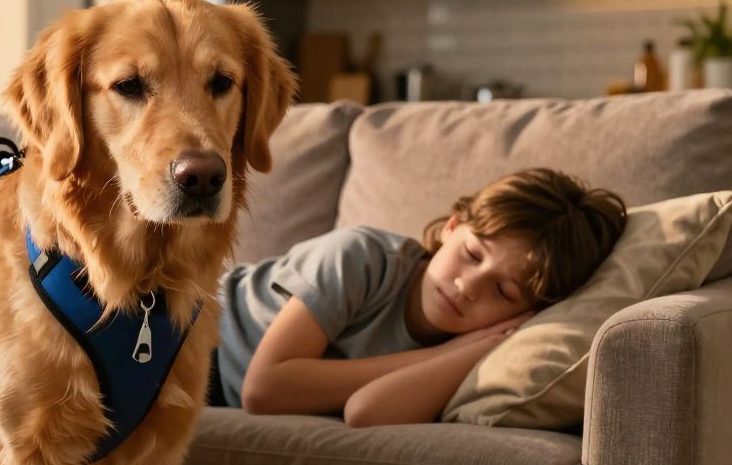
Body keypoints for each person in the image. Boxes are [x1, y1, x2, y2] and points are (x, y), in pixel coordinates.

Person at [211, 168, 627, 427]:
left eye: (503, 291)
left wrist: (466, 355)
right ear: (451, 226)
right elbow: (264, 389)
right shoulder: (361, 257)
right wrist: (437, 357)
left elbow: (365, 412)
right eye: (472, 254)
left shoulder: (479, 347)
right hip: (182, 332)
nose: (468, 286)